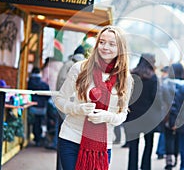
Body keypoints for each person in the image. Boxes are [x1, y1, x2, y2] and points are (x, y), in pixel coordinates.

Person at [54, 25, 133, 170]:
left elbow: (122, 115)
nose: (105, 47)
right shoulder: (80, 68)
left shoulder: (125, 78)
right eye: (101, 42)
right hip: (71, 137)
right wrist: (78, 109)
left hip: (102, 145)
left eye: (111, 44)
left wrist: (107, 116)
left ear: (120, 48)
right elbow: (59, 99)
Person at [125, 53, 159, 170]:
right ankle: (145, 167)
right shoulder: (153, 78)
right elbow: (155, 98)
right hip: (148, 118)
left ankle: (132, 167)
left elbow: (126, 96)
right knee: (148, 145)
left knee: (133, 146)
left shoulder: (132, 75)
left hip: (133, 115)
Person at [161, 63, 184, 170]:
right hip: (182, 117)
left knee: (169, 138)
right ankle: (176, 157)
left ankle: (169, 162)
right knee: (178, 138)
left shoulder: (166, 83)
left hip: (168, 115)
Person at [27, 67, 51, 147]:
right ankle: (39, 139)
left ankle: (36, 138)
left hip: (33, 106)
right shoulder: (44, 84)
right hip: (42, 107)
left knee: (34, 123)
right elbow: (48, 95)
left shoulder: (29, 83)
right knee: (40, 122)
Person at [155, 66, 169, 160]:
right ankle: (162, 151)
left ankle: (160, 151)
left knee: (163, 133)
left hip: (163, 109)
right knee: (165, 133)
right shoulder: (166, 82)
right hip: (166, 110)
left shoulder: (162, 81)